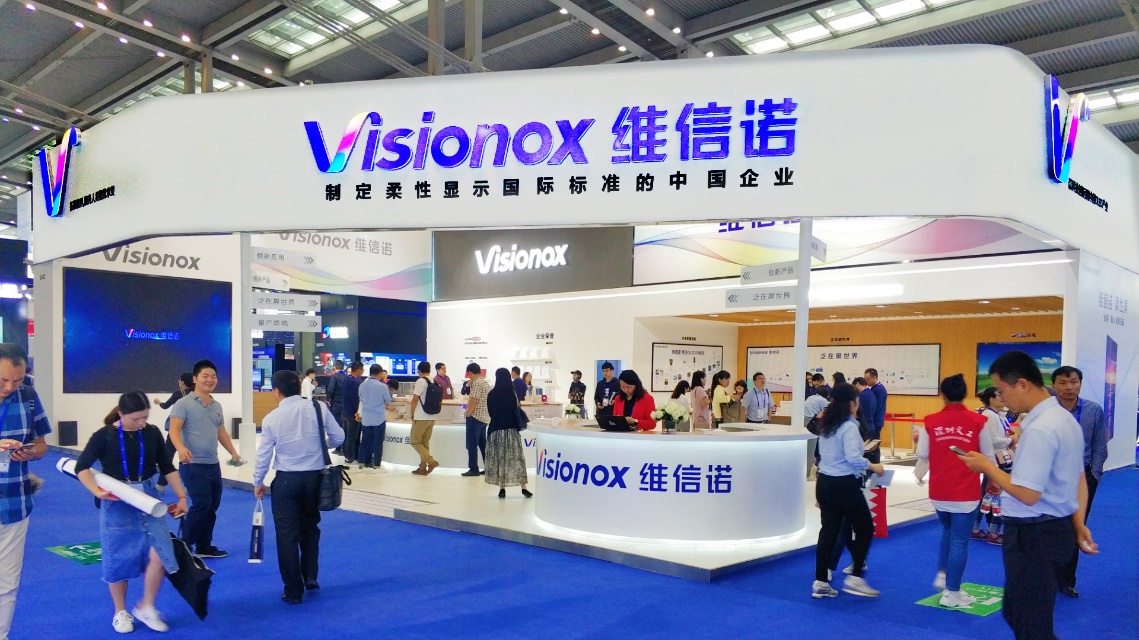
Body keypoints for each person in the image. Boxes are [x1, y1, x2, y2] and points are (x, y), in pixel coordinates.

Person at [960, 351, 1097, 640]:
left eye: (1002, 390)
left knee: (1031, 624)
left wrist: (987, 467)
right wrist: (1078, 523)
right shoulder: (1063, 419)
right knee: (1017, 612)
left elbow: (1028, 494)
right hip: (1052, 529)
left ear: (1022, 384)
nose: (1001, 397)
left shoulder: (1041, 428)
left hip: (1034, 535)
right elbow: (1078, 478)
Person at [75, 392, 187, 633]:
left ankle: (147, 605)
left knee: (161, 552)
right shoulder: (104, 435)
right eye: (136, 419)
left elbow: (167, 466)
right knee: (118, 556)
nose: (141, 423)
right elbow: (81, 467)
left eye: (145, 417)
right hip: (117, 500)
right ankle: (120, 611)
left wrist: (181, 497)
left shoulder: (152, 433)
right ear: (121, 414)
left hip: (148, 498)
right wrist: (97, 491)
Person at [253, 370, 345, 605]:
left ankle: (293, 590)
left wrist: (258, 482)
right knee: (310, 528)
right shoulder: (318, 407)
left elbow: (264, 455)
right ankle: (310, 576)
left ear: (276, 391)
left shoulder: (272, 418)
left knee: (287, 535)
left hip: (286, 481)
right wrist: (321, 445)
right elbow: (339, 437)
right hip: (315, 479)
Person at [917, 374, 993, 608]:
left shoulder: (930, 421)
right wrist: (994, 481)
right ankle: (952, 592)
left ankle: (943, 574)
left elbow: (922, 454)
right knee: (960, 541)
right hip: (966, 493)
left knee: (948, 531)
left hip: (939, 491)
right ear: (965, 394)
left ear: (943, 394)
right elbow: (988, 456)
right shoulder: (978, 421)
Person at [811, 383, 885, 600]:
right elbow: (853, 458)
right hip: (844, 484)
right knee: (865, 528)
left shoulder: (827, 425)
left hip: (825, 482)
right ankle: (856, 577)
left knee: (828, 532)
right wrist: (873, 466)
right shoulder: (849, 427)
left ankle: (820, 581)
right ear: (852, 403)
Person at [168, 359, 243, 559]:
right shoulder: (183, 404)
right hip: (192, 464)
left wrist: (233, 452)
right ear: (195, 379)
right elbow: (174, 429)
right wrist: (181, 448)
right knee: (202, 503)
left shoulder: (216, 405)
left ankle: (204, 546)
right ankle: (183, 546)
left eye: (213, 376)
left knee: (212, 506)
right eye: (205, 376)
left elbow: (221, 432)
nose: (210, 380)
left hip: (213, 464)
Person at [0, 343, 50, 640]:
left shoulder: (28, 397)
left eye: (17, 380)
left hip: (14, 502)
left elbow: (42, 446)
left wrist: (30, 452)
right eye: (3, 380)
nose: (10, 387)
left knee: (7, 581)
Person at [1051, 365, 1107, 598]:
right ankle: (1047, 577)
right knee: (1048, 528)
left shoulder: (1093, 410)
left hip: (1082, 479)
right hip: (1050, 479)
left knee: (1076, 527)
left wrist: (1094, 475)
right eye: (1063, 383)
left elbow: (1099, 446)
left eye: (1074, 382)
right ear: (1054, 385)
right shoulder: (1046, 411)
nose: (1069, 387)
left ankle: (1067, 580)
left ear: (1080, 384)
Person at [973, 387, 1017, 545]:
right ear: (991, 399)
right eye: (999, 395)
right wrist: (1011, 440)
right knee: (993, 495)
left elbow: (1002, 435)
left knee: (989, 495)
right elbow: (992, 441)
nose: (1003, 398)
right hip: (995, 460)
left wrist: (1010, 440)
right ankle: (992, 531)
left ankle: (979, 528)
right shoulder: (990, 416)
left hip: (1000, 460)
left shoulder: (998, 415)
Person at [484, 368, 532, 499]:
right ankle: (523, 487)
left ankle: (502, 488)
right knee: (516, 458)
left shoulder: (492, 394)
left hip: (496, 430)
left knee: (500, 459)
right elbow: (516, 408)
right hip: (511, 429)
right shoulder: (512, 392)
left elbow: (490, 412)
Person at [153, 372, 193, 491]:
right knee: (189, 458)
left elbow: (165, 406)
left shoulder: (178, 394)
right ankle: (188, 486)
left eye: (180, 380)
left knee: (167, 456)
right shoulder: (196, 394)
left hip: (175, 430)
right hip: (190, 431)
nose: (179, 382)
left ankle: (161, 484)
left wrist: (158, 402)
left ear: (183, 382)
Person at [357, 365, 391, 472]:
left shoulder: (362, 385)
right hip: (379, 418)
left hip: (366, 418)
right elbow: (388, 400)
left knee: (364, 441)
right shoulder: (382, 386)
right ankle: (377, 464)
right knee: (378, 442)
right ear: (380, 373)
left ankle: (361, 462)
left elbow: (361, 399)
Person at [410, 361, 439, 475]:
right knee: (424, 442)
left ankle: (431, 461)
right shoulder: (434, 381)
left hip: (421, 416)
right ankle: (422, 467)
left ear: (419, 370)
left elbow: (415, 399)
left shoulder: (421, 381)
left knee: (414, 441)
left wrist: (412, 413)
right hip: (432, 416)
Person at [462, 363, 490, 477]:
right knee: (483, 445)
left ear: (470, 373)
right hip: (484, 418)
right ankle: (489, 468)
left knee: (472, 444)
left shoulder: (477, 383)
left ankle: (473, 469)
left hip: (475, 417)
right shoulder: (485, 382)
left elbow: (474, 400)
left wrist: (468, 414)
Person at [340, 362, 364, 464]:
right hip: (352, 413)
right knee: (352, 437)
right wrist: (358, 412)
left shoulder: (346, 379)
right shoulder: (353, 382)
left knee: (347, 435)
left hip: (345, 412)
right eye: (362, 370)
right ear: (358, 370)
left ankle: (348, 455)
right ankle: (350, 457)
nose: (362, 372)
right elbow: (355, 399)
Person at [864, 368, 888, 464]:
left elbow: (876, 407)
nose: (866, 381)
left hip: (876, 421)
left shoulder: (879, 390)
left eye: (867, 379)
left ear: (874, 377)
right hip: (874, 420)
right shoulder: (874, 388)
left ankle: (875, 463)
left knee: (874, 444)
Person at [324, 360, 348, 428]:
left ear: (334, 367)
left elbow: (330, 389)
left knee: (336, 423)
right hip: (346, 404)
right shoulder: (347, 377)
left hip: (336, 403)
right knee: (345, 424)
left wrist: (328, 398)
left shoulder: (334, 377)